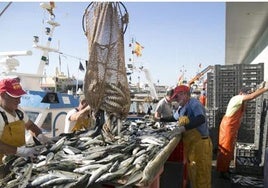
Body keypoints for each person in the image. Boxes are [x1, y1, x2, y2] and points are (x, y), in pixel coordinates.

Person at [155, 85, 212, 188]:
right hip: (191, 146)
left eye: (177, 97)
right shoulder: (182, 107)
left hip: (201, 145)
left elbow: (200, 119)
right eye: (175, 98)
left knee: (202, 174)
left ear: (184, 94)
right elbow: (174, 117)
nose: (176, 100)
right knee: (193, 173)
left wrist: (183, 128)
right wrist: (160, 119)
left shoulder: (194, 104)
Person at [216, 81, 268, 179]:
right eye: (246, 94)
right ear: (241, 93)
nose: (247, 96)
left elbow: (251, 96)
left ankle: (226, 169)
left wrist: (259, 89)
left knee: (230, 150)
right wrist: (265, 89)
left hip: (233, 127)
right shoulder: (237, 98)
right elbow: (251, 97)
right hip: (227, 127)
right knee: (225, 149)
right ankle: (221, 172)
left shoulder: (243, 101)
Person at [0, 78, 50, 177]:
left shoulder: (18, 111)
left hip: (19, 162)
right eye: (15, 97)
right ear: (3, 95)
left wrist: (40, 136)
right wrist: (21, 151)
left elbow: (30, 125)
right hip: (2, 166)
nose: (19, 101)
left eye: (20, 96)